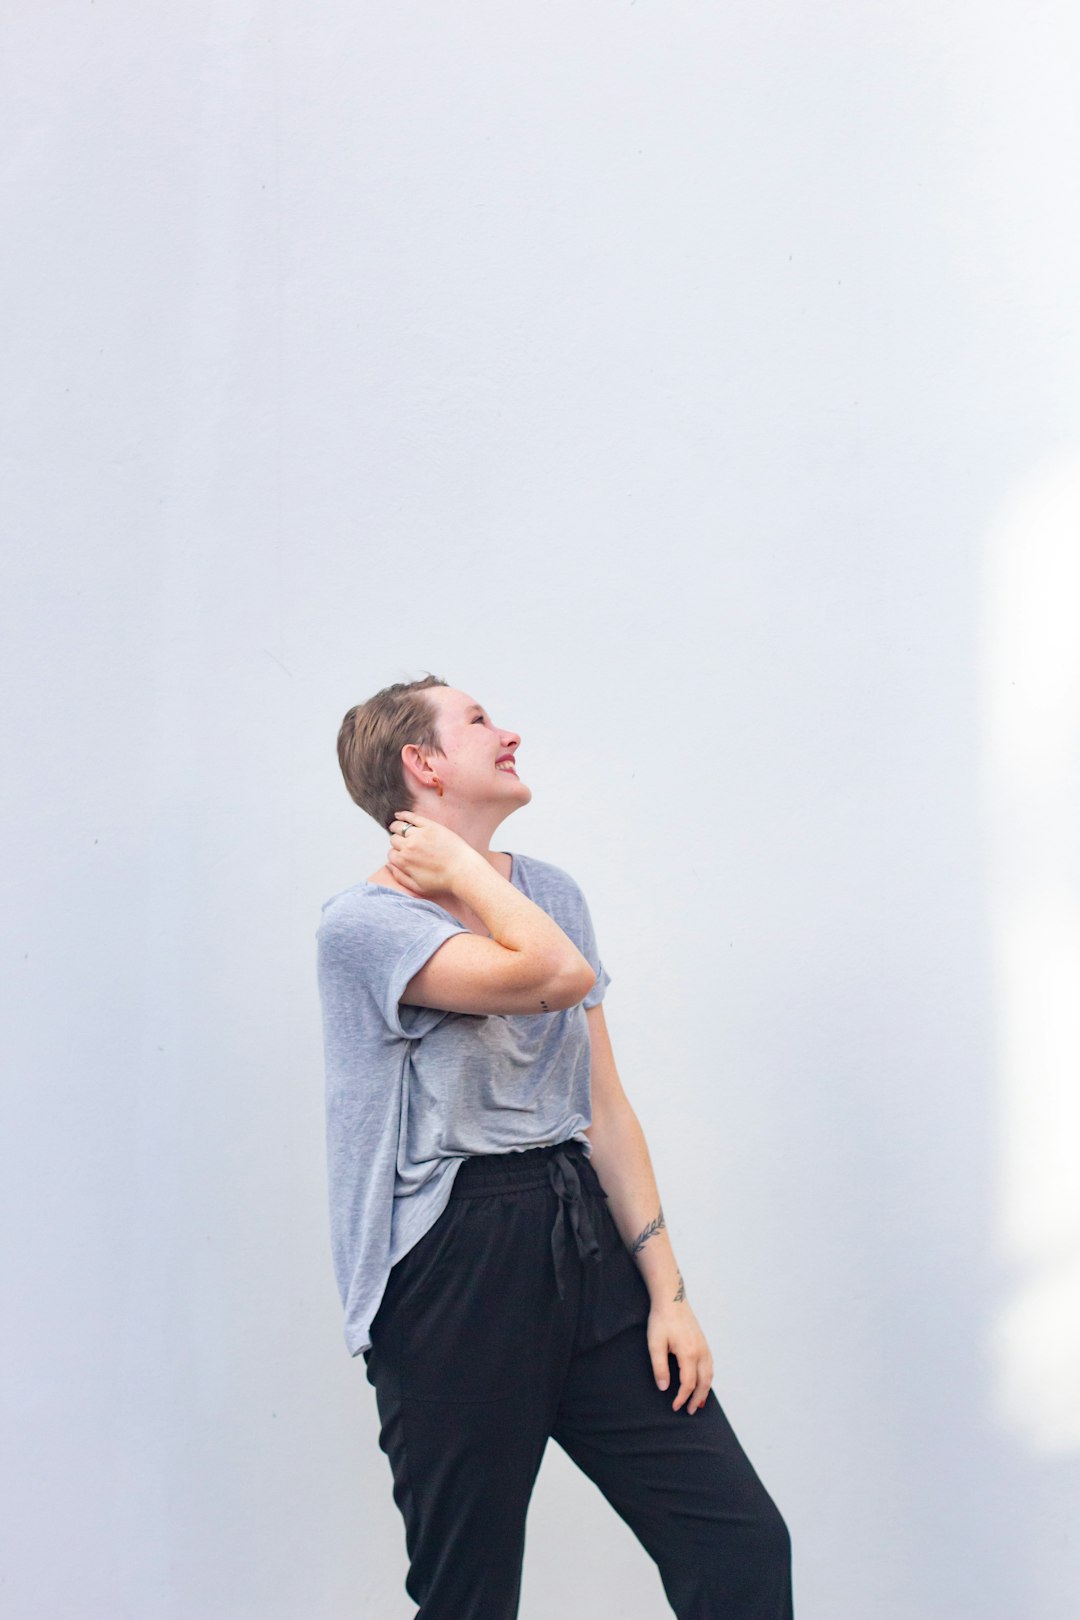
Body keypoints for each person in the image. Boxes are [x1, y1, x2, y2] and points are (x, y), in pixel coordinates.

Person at [316, 673, 793, 1619]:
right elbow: (554, 975)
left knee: (736, 1542)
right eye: (481, 721)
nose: (510, 733)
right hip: (451, 1262)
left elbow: (603, 1107)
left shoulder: (550, 892)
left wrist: (669, 1295)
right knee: (471, 1598)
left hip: (579, 1231)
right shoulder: (366, 926)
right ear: (422, 763)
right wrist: (457, 875)